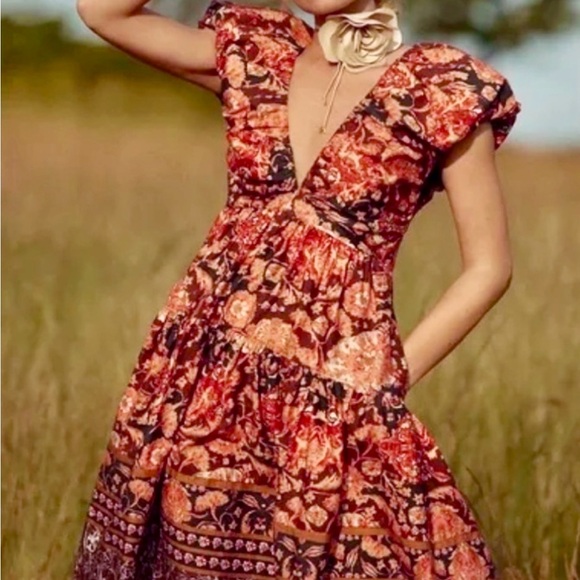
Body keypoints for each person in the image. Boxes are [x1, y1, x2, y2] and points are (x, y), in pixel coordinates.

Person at [72, 0, 522, 577]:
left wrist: (388, 380)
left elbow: (489, 266)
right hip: (208, 377)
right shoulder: (256, 52)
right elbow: (104, 13)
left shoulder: (441, 87)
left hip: (338, 393)